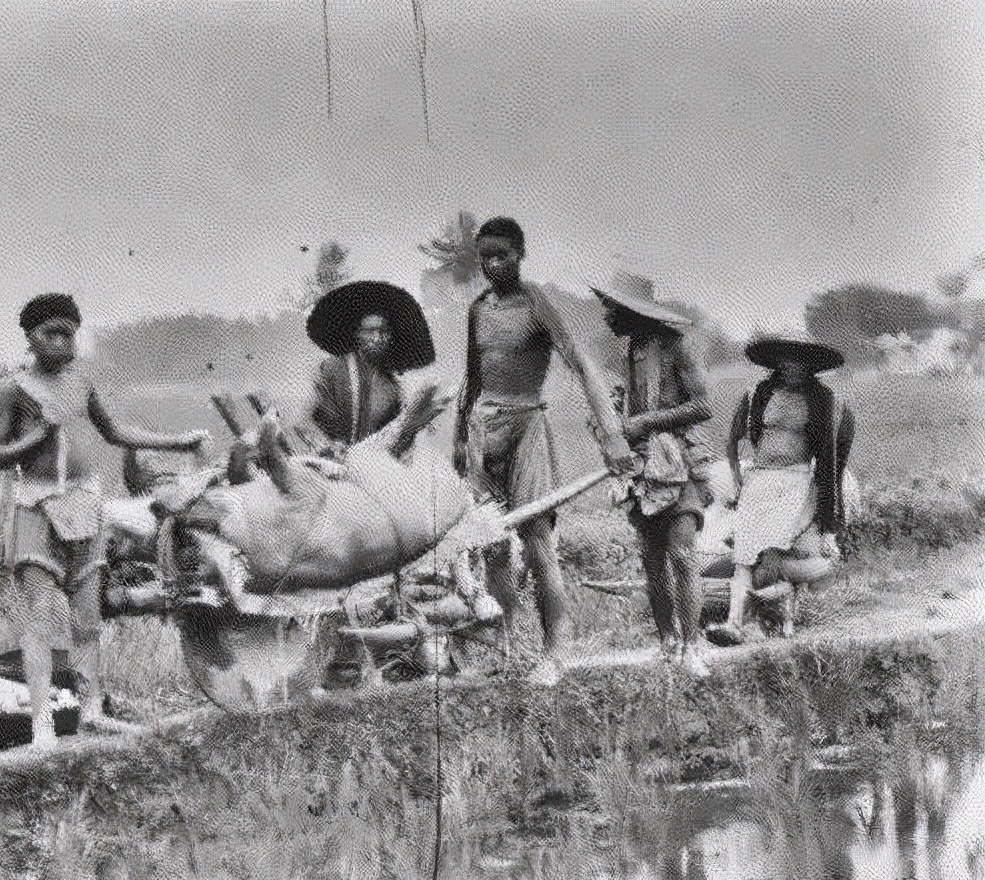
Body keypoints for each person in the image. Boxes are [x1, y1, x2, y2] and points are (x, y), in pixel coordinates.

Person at [0, 293, 208, 746]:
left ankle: (91, 711)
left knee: (87, 619)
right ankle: (42, 725)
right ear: (31, 337)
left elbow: (115, 432)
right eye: (53, 333)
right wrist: (36, 437)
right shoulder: (14, 389)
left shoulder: (83, 383)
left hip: (86, 504)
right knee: (42, 618)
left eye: (70, 333)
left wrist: (178, 442)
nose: (64, 343)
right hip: (37, 507)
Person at [454, 217, 636, 668]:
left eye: (503, 256)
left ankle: (554, 653)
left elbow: (581, 365)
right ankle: (511, 649)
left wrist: (612, 436)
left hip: (526, 428)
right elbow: (471, 379)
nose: (494, 265)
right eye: (485, 257)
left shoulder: (537, 303)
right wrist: (460, 441)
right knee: (492, 544)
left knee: (538, 543)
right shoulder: (477, 309)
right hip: (483, 430)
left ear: (520, 255)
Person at [594, 273, 715, 675]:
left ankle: (692, 646)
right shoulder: (632, 350)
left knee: (682, 553)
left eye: (612, 309)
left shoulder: (675, 347)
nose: (607, 317)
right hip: (643, 465)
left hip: (680, 459)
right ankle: (668, 641)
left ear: (633, 311)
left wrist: (646, 422)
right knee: (651, 557)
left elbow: (703, 406)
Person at [713, 329, 855, 644]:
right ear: (778, 363)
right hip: (759, 479)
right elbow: (732, 440)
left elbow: (830, 458)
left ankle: (757, 617)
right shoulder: (757, 394)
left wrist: (826, 509)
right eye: (786, 362)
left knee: (773, 552)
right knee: (744, 556)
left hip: (795, 480)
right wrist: (738, 480)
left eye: (799, 363)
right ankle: (734, 624)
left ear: (809, 367)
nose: (792, 368)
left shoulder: (822, 401)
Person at [298, 279, 436, 457]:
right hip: (327, 464)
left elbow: (397, 436)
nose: (378, 338)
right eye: (371, 331)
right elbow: (303, 422)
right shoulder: (331, 369)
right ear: (357, 333)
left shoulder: (391, 386)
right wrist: (325, 446)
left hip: (371, 468)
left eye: (383, 332)